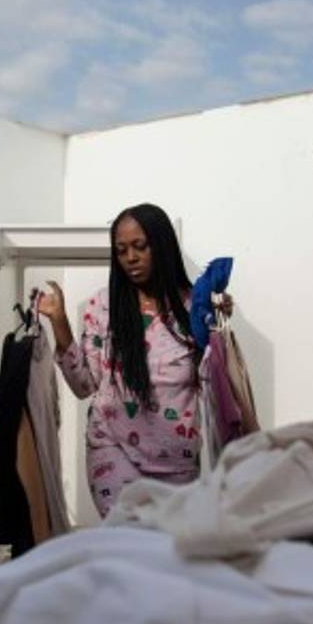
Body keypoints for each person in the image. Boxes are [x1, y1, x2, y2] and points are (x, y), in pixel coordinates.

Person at [38, 203, 228, 517]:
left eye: (140, 247)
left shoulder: (194, 307)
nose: (131, 258)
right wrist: (59, 321)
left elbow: (215, 378)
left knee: (168, 551)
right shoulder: (102, 306)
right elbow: (84, 385)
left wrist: (219, 322)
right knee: (126, 537)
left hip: (176, 459)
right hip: (112, 448)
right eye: (122, 250)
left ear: (162, 245)